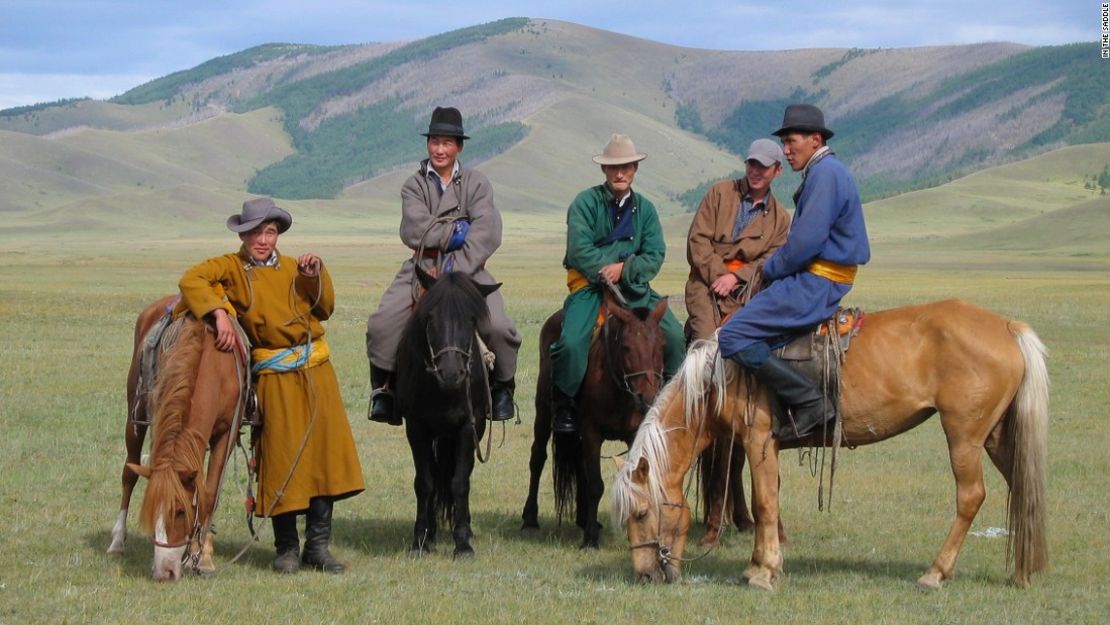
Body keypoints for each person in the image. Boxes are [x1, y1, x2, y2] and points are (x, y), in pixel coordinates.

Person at [175, 197, 364, 574]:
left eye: (271, 232)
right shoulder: (230, 267)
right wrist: (219, 311)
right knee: (282, 458)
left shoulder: (295, 267)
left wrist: (315, 274)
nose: (263, 239)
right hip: (275, 376)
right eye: (256, 232)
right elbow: (190, 279)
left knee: (323, 456)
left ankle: (318, 547)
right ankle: (287, 549)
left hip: (317, 370)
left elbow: (324, 308)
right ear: (242, 235)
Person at [718, 104, 870, 441]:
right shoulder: (826, 171)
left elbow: (805, 242)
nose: (786, 151)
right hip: (821, 278)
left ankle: (811, 402)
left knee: (731, 336)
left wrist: (769, 270)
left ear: (815, 140)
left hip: (817, 282)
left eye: (792, 142)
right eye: (784, 143)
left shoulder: (825, 174)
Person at [366, 107, 521, 426]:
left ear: (459, 147)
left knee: (500, 328)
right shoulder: (414, 185)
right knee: (382, 323)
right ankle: (386, 390)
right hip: (422, 267)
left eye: (447, 143)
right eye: (435, 142)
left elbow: (487, 232)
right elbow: (414, 229)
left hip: (470, 270)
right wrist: (456, 230)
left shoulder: (477, 183)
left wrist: (456, 262)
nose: (440, 149)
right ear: (428, 145)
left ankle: (502, 388)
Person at [549, 133, 686, 434]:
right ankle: (566, 405)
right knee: (572, 342)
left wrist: (624, 269)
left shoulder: (646, 210)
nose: (621, 173)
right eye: (614, 167)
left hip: (634, 289)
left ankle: (671, 402)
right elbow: (578, 249)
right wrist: (604, 269)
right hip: (591, 288)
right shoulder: (584, 203)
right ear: (604, 170)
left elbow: (655, 253)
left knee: (674, 336)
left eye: (627, 167)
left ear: (635, 169)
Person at [684, 138, 791, 341]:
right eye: (752, 164)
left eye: (763, 167)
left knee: (750, 345)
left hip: (748, 292)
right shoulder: (719, 193)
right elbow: (697, 240)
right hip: (704, 284)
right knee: (707, 345)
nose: (755, 171)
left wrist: (735, 277)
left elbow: (769, 260)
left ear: (778, 170)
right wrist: (719, 275)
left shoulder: (781, 219)